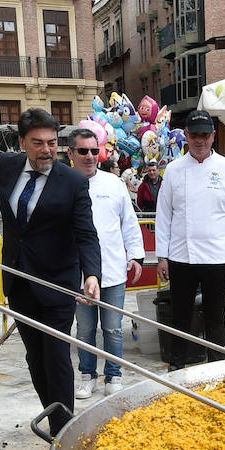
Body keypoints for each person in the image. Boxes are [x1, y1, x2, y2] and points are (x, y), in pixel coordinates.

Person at [0, 107, 100, 436]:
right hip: (18, 279)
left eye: (52, 142)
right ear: (22, 142)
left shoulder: (73, 182)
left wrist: (92, 275)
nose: (47, 150)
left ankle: (64, 433)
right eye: (37, 143)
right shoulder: (6, 167)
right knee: (35, 356)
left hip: (59, 282)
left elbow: (86, 233)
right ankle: (52, 414)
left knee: (57, 356)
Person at [155, 108, 225, 369]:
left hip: (216, 257)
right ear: (186, 135)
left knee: (215, 318)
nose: (200, 140)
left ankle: (217, 367)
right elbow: (163, 215)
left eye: (205, 135)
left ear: (213, 136)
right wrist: (162, 256)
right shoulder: (173, 171)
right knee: (180, 317)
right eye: (194, 135)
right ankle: (177, 365)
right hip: (180, 256)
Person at [69, 132, 144, 399]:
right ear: (71, 154)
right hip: (77, 273)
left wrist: (136, 255)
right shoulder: (62, 184)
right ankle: (87, 375)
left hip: (112, 270)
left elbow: (129, 222)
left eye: (93, 151)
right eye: (83, 151)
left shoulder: (113, 183)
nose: (89, 156)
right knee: (85, 329)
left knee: (112, 327)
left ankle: (114, 374)